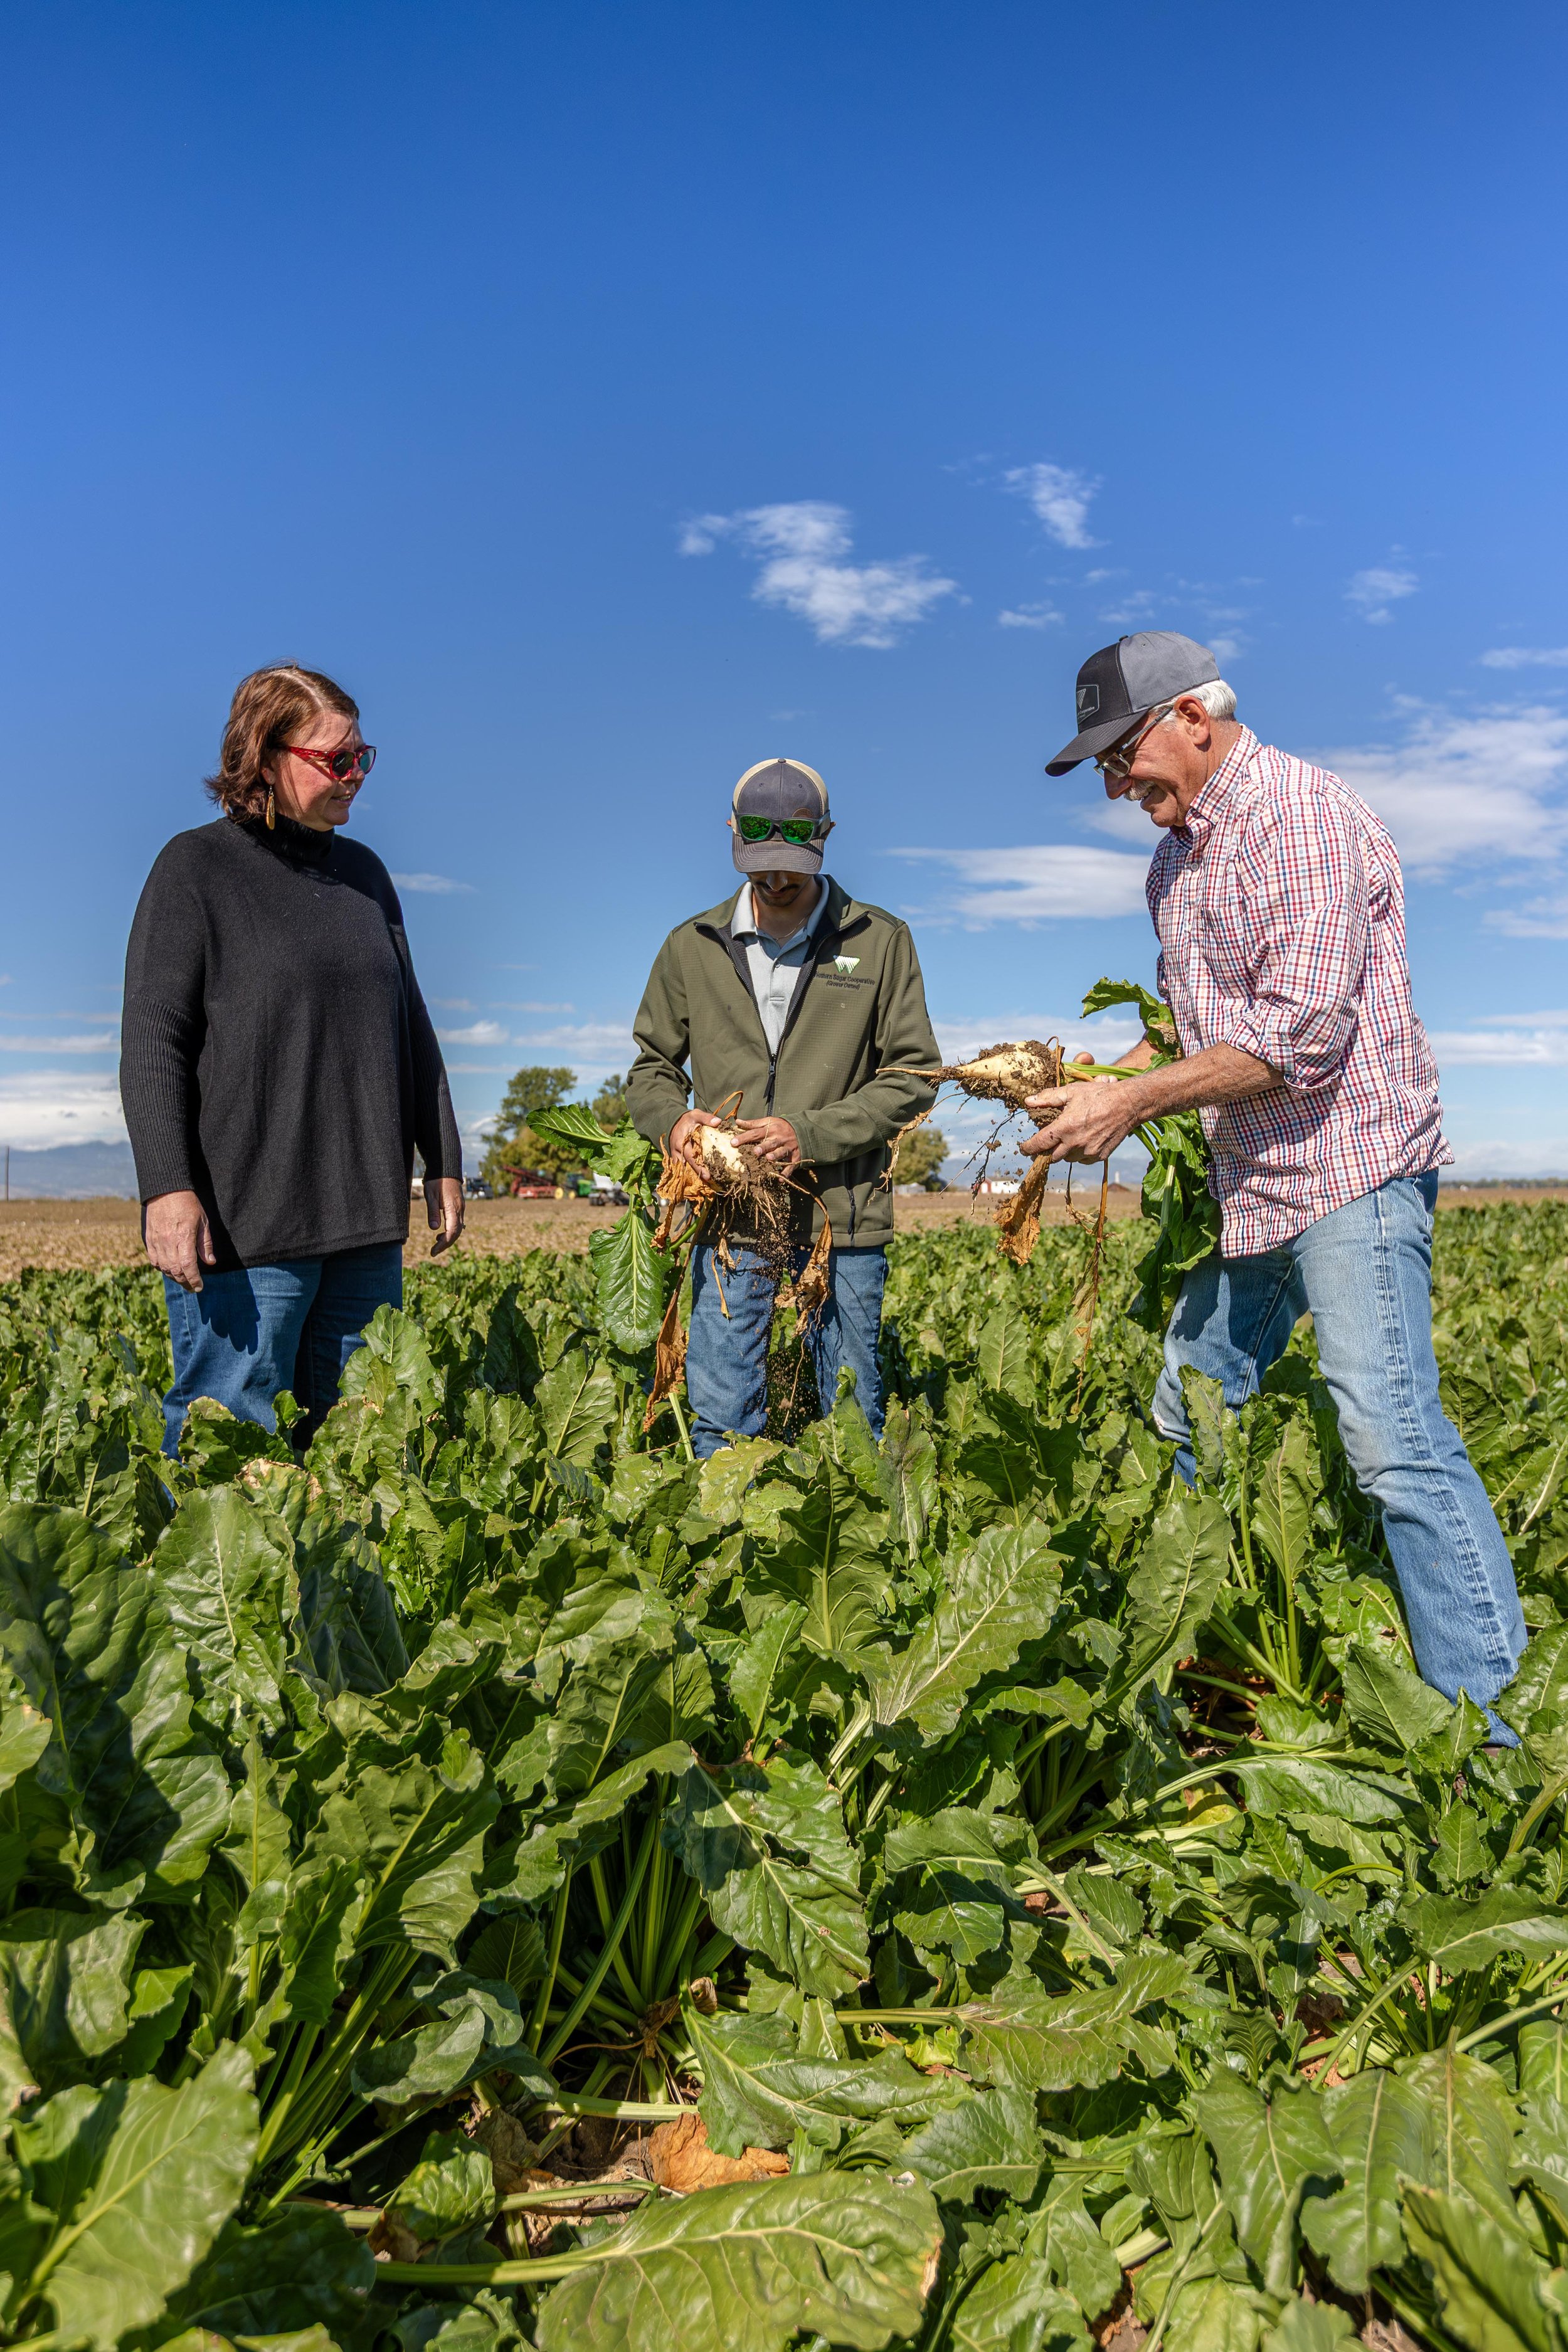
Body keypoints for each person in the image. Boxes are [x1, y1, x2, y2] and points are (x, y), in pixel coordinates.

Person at [1022, 630, 1525, 1730]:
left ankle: (1494, 1742)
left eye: (1123, 754)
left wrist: (1132, 1100)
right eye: (1101, 766)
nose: (1113, 783)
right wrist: (1089, 1082)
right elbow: (1209, 1033)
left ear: (1193, 718)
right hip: (1256, 1186)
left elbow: (1296, 1033)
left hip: (1351, 1171)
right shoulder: (1175, 862)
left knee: (1392, 1442)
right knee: (1189, 1404)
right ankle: (1190, 1672)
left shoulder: (1299, 813)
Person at [121, 663, 465, 1456]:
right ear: (265, 758)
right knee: (231, 1451)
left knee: (358, 1452)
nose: (354, 778)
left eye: (361, 758)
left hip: (364, 1227)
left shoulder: (366, 876)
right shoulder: (195, 868)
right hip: (247, 1227)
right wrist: (167, 1188)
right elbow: (153, 1040)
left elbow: (408, 1021)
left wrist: (441, 1155)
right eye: (334, 760)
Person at [627, 756, 940, 1456]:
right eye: (757, 863)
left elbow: (914, 1074)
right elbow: (650, 1069)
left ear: (824, 835)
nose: (773, 881)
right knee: (721, 1414)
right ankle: (726, 1546)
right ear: (733, 835)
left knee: (850, 1416)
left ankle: (858, 1545)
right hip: (730, 1220)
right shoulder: (690, 947)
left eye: (790, 866)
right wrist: (674, 1123)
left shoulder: (879, 941)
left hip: (844, 1217)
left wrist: (807, 1134)